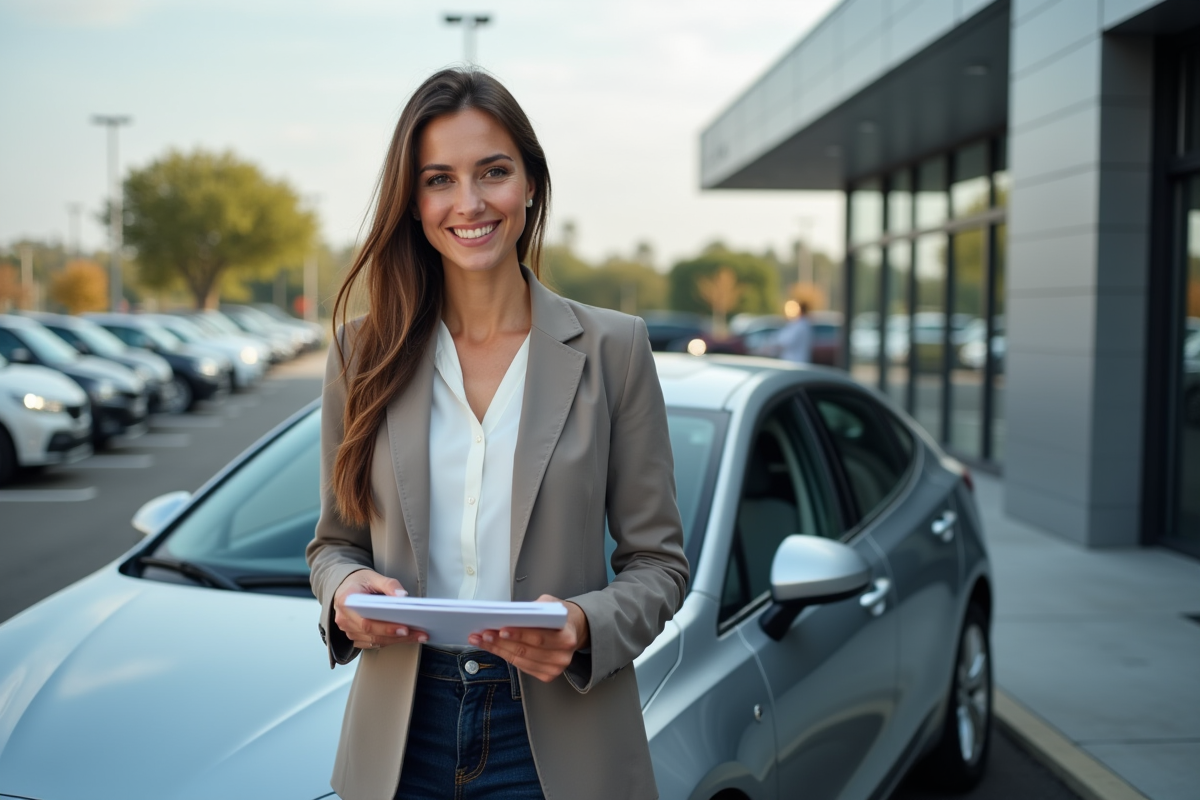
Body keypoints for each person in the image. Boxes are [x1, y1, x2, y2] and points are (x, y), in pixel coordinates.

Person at [305, 68, 688, 800]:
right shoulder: (362, 353)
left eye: (494, 172)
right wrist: (346, 589)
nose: (470, 203)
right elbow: (334, 544)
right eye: (439, 179)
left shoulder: (615, 349)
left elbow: (659, 565)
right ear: (413, 204)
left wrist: (583, 622)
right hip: (400, 740)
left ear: (532, 184)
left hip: (557, 738)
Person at [776, 299, 813, 364]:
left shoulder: (799, 325)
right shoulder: (805, 324)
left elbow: (785, 342)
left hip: (794, 362)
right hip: (799, 361)